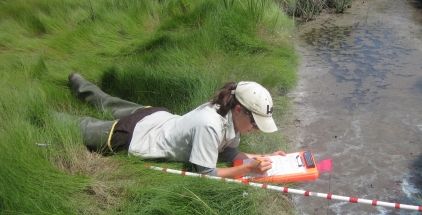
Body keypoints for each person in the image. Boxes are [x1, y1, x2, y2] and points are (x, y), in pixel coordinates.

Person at [68, 73, 286, 178]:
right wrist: (248, 168)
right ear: (239, 109)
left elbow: (229, 152)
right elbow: (206, 173)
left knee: (108, 102)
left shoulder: (227, 111)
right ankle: (44, 113)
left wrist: (261, 158)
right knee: (79, 128)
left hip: (155, 117)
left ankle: (77, 81)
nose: (256, 129)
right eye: (256, 123)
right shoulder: (210, 125)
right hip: (133, 135)